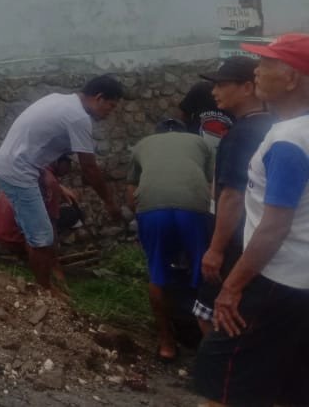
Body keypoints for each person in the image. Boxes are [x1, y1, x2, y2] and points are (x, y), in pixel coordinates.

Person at [194, 34, 309, 407]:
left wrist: (232, 286)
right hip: (299, 280)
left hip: (275, 278)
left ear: (291, 78)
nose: (257, 71)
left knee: (223, 375)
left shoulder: (289, 141)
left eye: (266, 64)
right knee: (287, 380)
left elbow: (275, 224)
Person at [0, 76, 125, 293]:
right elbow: (89, 167)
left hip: (20, 166)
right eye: (111, 105)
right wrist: (110, 202)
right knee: (41, 238)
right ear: (99, 98)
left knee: (41, 234)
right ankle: (45, 294)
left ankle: (49, 283)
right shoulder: (78, 118)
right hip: (18, 171)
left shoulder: (60, 99)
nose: (110, 112)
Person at [191, 57, 274, 335]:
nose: (214, 91)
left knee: (209, 312)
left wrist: (215, 250)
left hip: (235, 238)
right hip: (262, 236)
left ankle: (217, 371)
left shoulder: (240, 134)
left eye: (222, 85)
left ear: (248, 87)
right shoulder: (274, 127)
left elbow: (233, 196)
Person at [126, 118, 214, 361]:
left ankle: (167, 344)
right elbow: (210, 185)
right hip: (193, 207)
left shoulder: (142, 144)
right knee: (202, 271)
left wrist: (141, 218)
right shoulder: (200, 142)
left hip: (152, 209)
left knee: (158, 273)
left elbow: (131, 193)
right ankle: (208, 345)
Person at [0, 155, 83, 290]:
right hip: (13, 236)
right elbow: (52, 227)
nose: (70, 169)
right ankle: (43, 267)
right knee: (71, 217)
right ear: (57, 161)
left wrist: (59, 188)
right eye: (68, 164)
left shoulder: (31, 168)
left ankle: (33, 256)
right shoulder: (51, 184)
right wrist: (54, 260)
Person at [179, 80, 232, 150]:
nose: (214, 92)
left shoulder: (241, 98)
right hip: (196, 147)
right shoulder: (201, 89)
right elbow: (185, 113)